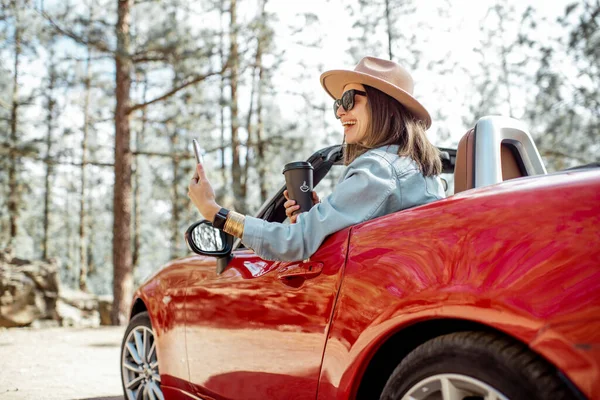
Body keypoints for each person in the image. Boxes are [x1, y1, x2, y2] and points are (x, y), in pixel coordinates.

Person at [188, 56, 444, 262]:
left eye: (349, 100)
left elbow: (293, 243)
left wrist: (214, 211)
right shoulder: (416, 169)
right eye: (337, 105)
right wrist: (318, 217)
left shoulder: (379, 169)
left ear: (383, 104)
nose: (340, 111)